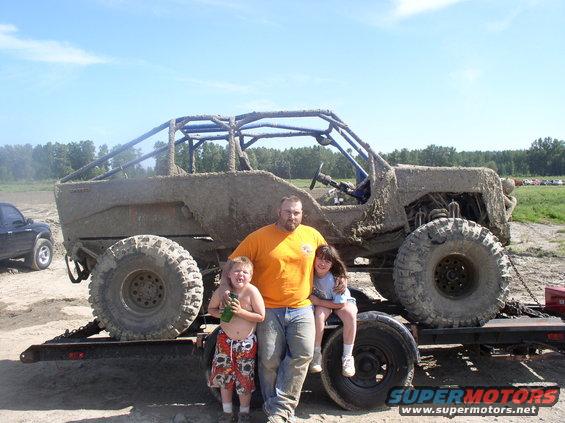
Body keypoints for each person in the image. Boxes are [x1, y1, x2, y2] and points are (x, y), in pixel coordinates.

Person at [226, 195, 341, 422]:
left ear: (302, 214)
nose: (292, 216)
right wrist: (224, 290)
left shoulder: (312, 235)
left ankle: (280, 410)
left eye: (296, 212)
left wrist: (341, 276)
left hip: (302, 307)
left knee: (304, 354)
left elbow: (329, 260)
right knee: (269, 360)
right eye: (288, 212)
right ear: (279, 212)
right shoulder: (259, 237)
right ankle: (276, 410)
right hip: (268, 308)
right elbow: (232, 263)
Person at [208, 256, 265, 423]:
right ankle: (227, 413)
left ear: (251, 276)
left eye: (245, 272)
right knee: (225, 378)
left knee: (244, 379)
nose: (240, 274)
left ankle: (244, 414)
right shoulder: (222, 293)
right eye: (237, 271)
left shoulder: (251, 292)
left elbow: (261, 316)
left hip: (246, 344)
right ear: (229, 275)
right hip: (225, 341)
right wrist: (221, 314)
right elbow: (211, 309)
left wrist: (240, 312)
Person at [308, 244, 358, 377]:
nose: (322, 263)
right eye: (320, 258)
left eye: (327, 261)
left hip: (339, 302)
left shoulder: (334, 279)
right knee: (319, 315)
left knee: (350, 315)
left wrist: (319, 302)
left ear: (332, 264)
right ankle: (316, 354)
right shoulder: (309, 273)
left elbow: (340, 304)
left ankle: (347, 356)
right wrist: (319, 303)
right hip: (324, 302)